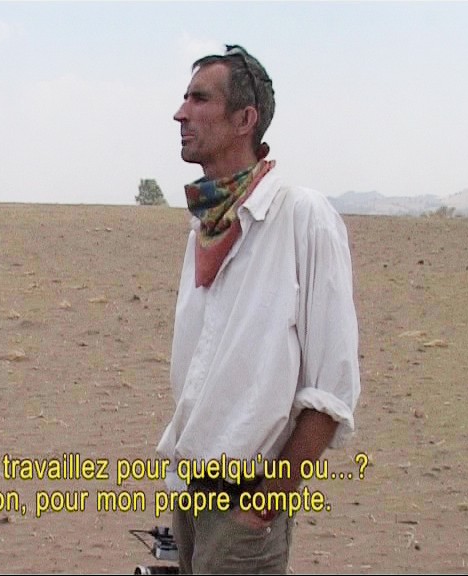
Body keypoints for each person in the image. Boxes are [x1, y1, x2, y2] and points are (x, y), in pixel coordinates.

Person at [155, 44, 361, 574]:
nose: (180, 114)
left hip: (247, 508)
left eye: (199, 99)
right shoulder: (205, 228)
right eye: (184, 98)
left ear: (245, 119)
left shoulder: (301, 217)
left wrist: (262, 505)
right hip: (192, 497)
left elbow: (332, 391)